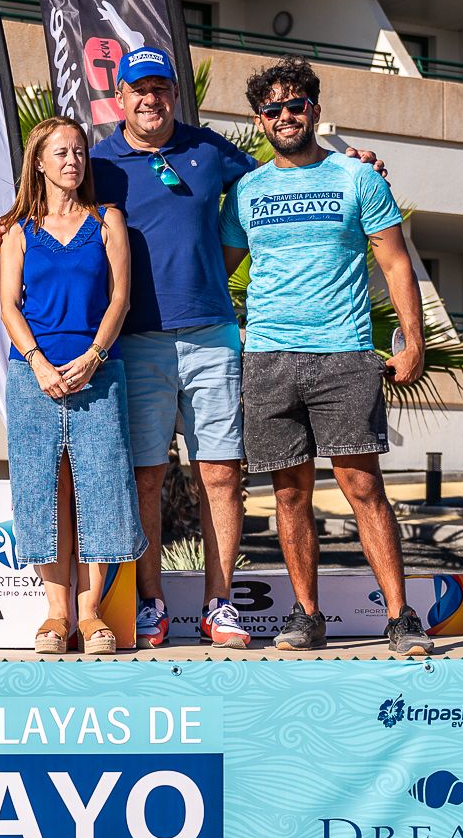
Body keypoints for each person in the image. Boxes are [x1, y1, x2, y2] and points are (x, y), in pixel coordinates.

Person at [89, 46, 390, 651]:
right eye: (138, 89)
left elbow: (290, 167)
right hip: (135, 339)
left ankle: (218, 604)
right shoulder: (97, 160)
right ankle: (150, 606)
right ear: (119, 98)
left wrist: (353, 161)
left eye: (161, 88)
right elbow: (49, 201)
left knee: (222, 474)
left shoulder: (209, 151)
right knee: (146, 476)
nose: (152, 100)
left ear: (174, 93)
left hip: (214, 337)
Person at [219, 57, 429, 658]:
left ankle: (400, 616)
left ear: (314, 108)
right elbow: (218, 268)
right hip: (269, 358)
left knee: (364, 488)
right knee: (289, 494)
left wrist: (411, 341)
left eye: (294, 105)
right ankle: (307, 615)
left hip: (344, 354)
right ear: (261, 121)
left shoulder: (358, 178)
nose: (284, 117)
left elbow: (394, 264)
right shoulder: (248, 189)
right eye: (272, 110)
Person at [0, 117, 143, 657]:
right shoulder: (18, 230)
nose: (71, 161)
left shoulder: (108, 220)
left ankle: (91, 615)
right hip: (31, 376)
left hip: (99, 373)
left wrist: (95, 355)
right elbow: (9, 306)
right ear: (38, 161)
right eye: (60, 152)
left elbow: (119, 298)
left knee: (99, 489)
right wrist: (36, 362)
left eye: (79, 152)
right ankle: (56, 616)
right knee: (42, 493)